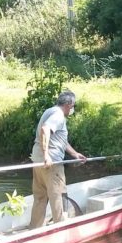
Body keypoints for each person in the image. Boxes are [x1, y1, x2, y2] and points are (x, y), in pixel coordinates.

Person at [29, 90, 86, 229]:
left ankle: (34, 228)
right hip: (51, 162)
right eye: (73, 106)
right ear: (68, 104)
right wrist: (47, 155)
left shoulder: (49, 111)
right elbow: (45, 129)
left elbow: (61, 140)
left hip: (37, 159)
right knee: (58, 195)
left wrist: (75, 154)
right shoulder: (58, 115)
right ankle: (60, 228)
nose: (73, 109)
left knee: (40, 196)